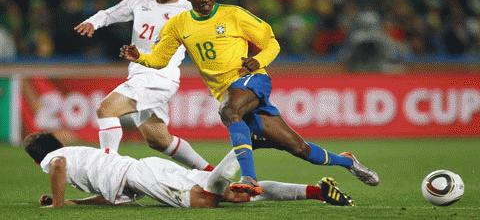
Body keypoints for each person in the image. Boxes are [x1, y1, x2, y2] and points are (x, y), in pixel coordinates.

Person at [119, 0, 380, 195]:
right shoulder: (178, 24)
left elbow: (272, 42)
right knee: (299, 148)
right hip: (227, 91)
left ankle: (249, 179)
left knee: (229, 112)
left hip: (252, 79)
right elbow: (161, 58)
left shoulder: (233, 14)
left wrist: (258, 60)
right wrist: (140, 57)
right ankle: (346, 162)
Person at [73, 0, 213, 171]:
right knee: (159, 140)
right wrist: (93, 22)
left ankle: (106, 170)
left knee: (106, 109)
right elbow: (109, 14)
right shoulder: (139, 2)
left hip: (159, 78)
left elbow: (205, 46)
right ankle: (211, 173)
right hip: (139, 76)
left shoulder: (188, 11)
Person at [24, 132, 354, 208]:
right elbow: (109, 198)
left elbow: (58, 166)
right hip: (143, 174)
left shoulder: (55, 158)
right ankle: (316, 191)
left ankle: (247, 145)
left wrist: (56, 203)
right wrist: (72, 204)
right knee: (233, 195)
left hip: (142, 175)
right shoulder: (78, 156)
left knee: (208, 200)